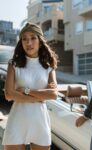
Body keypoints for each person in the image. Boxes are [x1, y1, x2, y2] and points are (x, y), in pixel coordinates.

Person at [2, 22, 58, 150]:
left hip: (40, 121)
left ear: (40, 40)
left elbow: (53, 94)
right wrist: (40, 97)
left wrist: (26, 91)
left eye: (33, 38)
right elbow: (9, 94)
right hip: (17, 120)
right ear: (21, 42)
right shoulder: (14, 64)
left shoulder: (48, 66)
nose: (28, 43)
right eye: (24, 39)